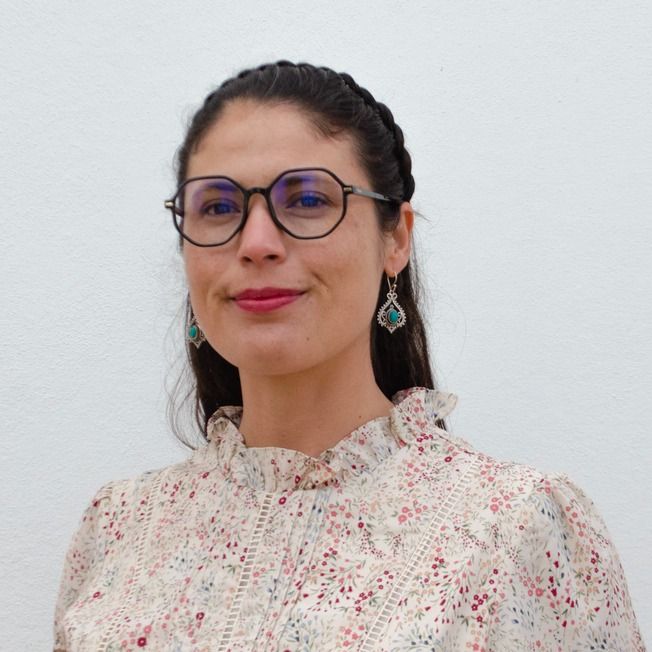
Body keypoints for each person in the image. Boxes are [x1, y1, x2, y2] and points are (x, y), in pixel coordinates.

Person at [53, 61, 644, 651]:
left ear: (396, 238)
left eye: (308, 199)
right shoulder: (119, 527)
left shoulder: (516, 527)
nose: (256, 243)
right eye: (218, 207)